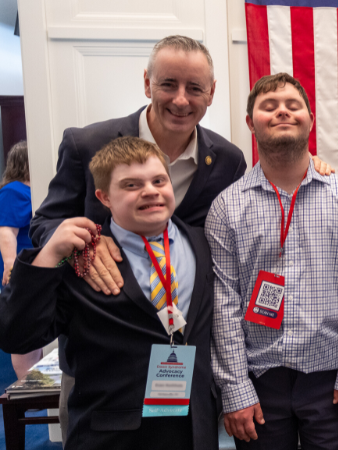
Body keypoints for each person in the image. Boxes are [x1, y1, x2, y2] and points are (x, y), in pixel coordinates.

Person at [27, 35, 247, 443]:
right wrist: (88, 244)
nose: (181, 100)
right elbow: (44, 224)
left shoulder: (228, 160)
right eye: (168, 84)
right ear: (147, 83)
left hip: (185, 367)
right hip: (107, 370)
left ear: (211, 94)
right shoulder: (87, 144)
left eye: (195, 88)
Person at [0, 136, 219, 449]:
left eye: (159, 180)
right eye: (131, 185)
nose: (150, 191)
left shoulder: (202, 242)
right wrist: (48, 255)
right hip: (113, 434)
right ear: (104, 197)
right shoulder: (80, 261)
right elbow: (15, 335)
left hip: (193, 427)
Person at [206, 72, 338, 450]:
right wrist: (235, 385)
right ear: (251, 123)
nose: (282, 112)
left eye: (292, 105)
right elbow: (224, 303)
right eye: (269, 107)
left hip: (332, 378)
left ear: (310, 119)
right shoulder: (226, 207)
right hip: (259, 378)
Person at [0, 141, 43, 380]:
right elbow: (6, 231)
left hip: (33, 270)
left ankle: (33, 386)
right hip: (20, 271)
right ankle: (28, 387)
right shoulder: (14, 191)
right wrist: (10, 265)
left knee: (33, 328)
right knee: (24, 328)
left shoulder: (29, 191)